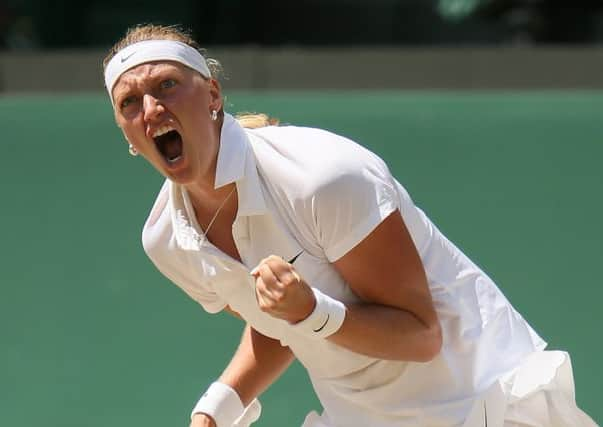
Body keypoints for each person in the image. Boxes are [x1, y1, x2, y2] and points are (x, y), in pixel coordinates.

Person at [103, 24, 597, 427]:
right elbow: (277, 327)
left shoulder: (321, 176)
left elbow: (421, 336)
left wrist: (310, 310)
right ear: (127, 134)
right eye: (130, 102)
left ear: (212, 94)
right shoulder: (168, 239)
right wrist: (218, 406)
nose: (151, 110)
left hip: (482, 405)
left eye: (167, 85)